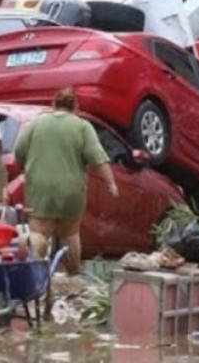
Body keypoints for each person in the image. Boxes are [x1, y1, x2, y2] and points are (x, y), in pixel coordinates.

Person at [13, 87, 118, 275]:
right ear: (75, 107)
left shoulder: (36, 123)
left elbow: (19, 152)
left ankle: (36, 276)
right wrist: (111, 183)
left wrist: (24, 167)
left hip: (40, 188)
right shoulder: (82, 127)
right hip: (72, 190)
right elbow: (98, 158)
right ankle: (73, 277)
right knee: (70, 235)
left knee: (39, 233)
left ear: (53, 104)